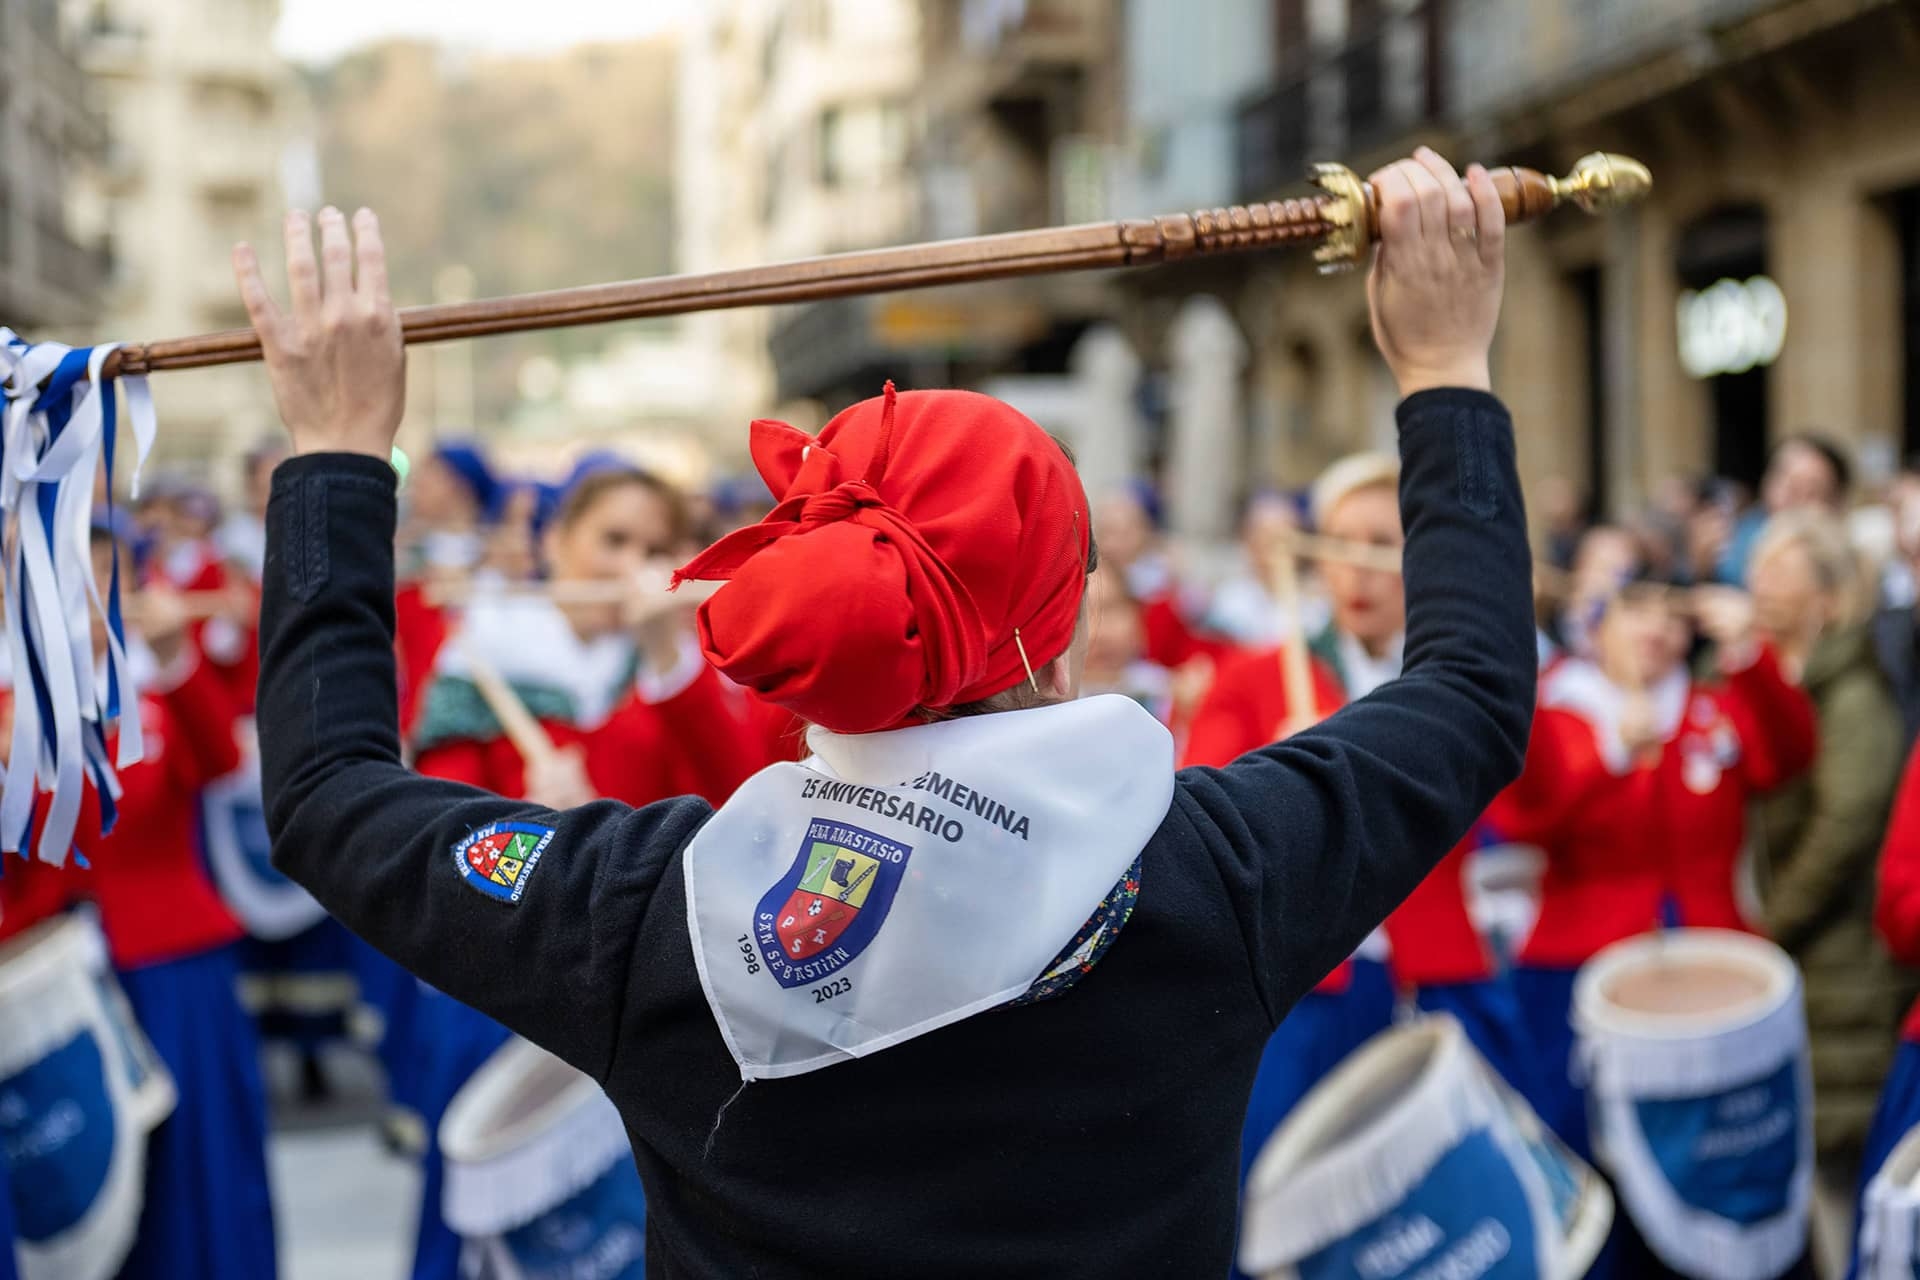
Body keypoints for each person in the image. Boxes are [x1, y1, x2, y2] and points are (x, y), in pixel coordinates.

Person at [238, 149, 1533, 1275]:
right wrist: (1443, 365)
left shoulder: (649, 911)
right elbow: (1470, 692)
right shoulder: (1218, 872)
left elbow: (325, 793)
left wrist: (337, 454)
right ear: (1067, 621)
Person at [396, 457, 760, 1280]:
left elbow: (738, 805)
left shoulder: (673, 665)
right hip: (504, 986)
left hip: (642, 988)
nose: (632, 564)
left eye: (655, 546)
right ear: (555, 540)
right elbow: (449, 848)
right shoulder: (478, 663)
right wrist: (540, 827)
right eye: (612, 539)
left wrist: (667, 650)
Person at [1491, 562, 1817, 1162]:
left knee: (1725, 1154)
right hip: (1579, 969)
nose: (1657, 628)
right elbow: (1524, 813)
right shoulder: (1560, 714)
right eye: (1637, 609)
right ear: (1595, 625)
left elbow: (1790, 756)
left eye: (1673, 613)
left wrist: (1749, 653)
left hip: (1714, 962)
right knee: (1592, 1151)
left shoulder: (1711, 709)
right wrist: (1612, 753)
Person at [76, 521, 278, 1280]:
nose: (98, 601)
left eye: (114, 580)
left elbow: (220, 761)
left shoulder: (153, 684)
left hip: (174, 957)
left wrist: (173, 657)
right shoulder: (17, 696)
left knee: (202, 1157)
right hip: (68, 966)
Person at [1746, 509, 1911, 1267]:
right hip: (1798, 956)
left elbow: (1849, 819)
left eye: (1783, 575)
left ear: (1829, 596)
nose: (1761, 589)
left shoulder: (1853, 691)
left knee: (1844, 1167)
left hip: (1841, 957)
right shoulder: (1769, 679)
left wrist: (1772, 921)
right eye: (1758, 571)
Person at [1718, 433, 1853, 585]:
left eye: (1811, 489)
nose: (1792, 496)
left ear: (1836, 503)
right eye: (1785, 480)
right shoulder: (1739, 533)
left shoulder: (1842, 566)